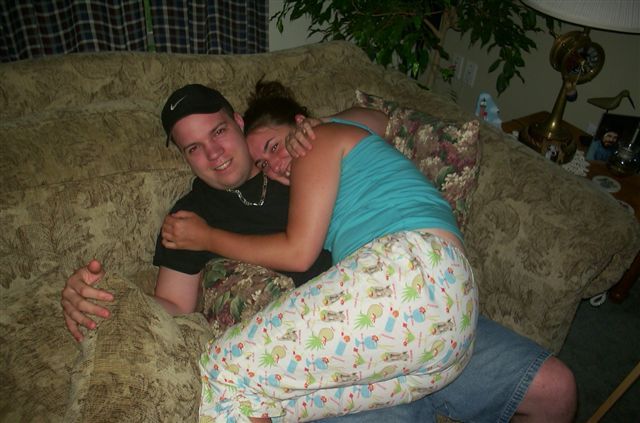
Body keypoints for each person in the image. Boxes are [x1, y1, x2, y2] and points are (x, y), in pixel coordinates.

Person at [61, 83, 576, 423]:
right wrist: (107, 303)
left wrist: (323, 123)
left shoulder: (306, 149)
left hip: (402, 293)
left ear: (237, 122)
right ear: (183, 157)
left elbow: (381, 124)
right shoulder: (190, 215)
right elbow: (173, 305)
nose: (213, 152)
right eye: (193, 147)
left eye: (217, 131)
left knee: (555, 388)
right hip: (340, 345)